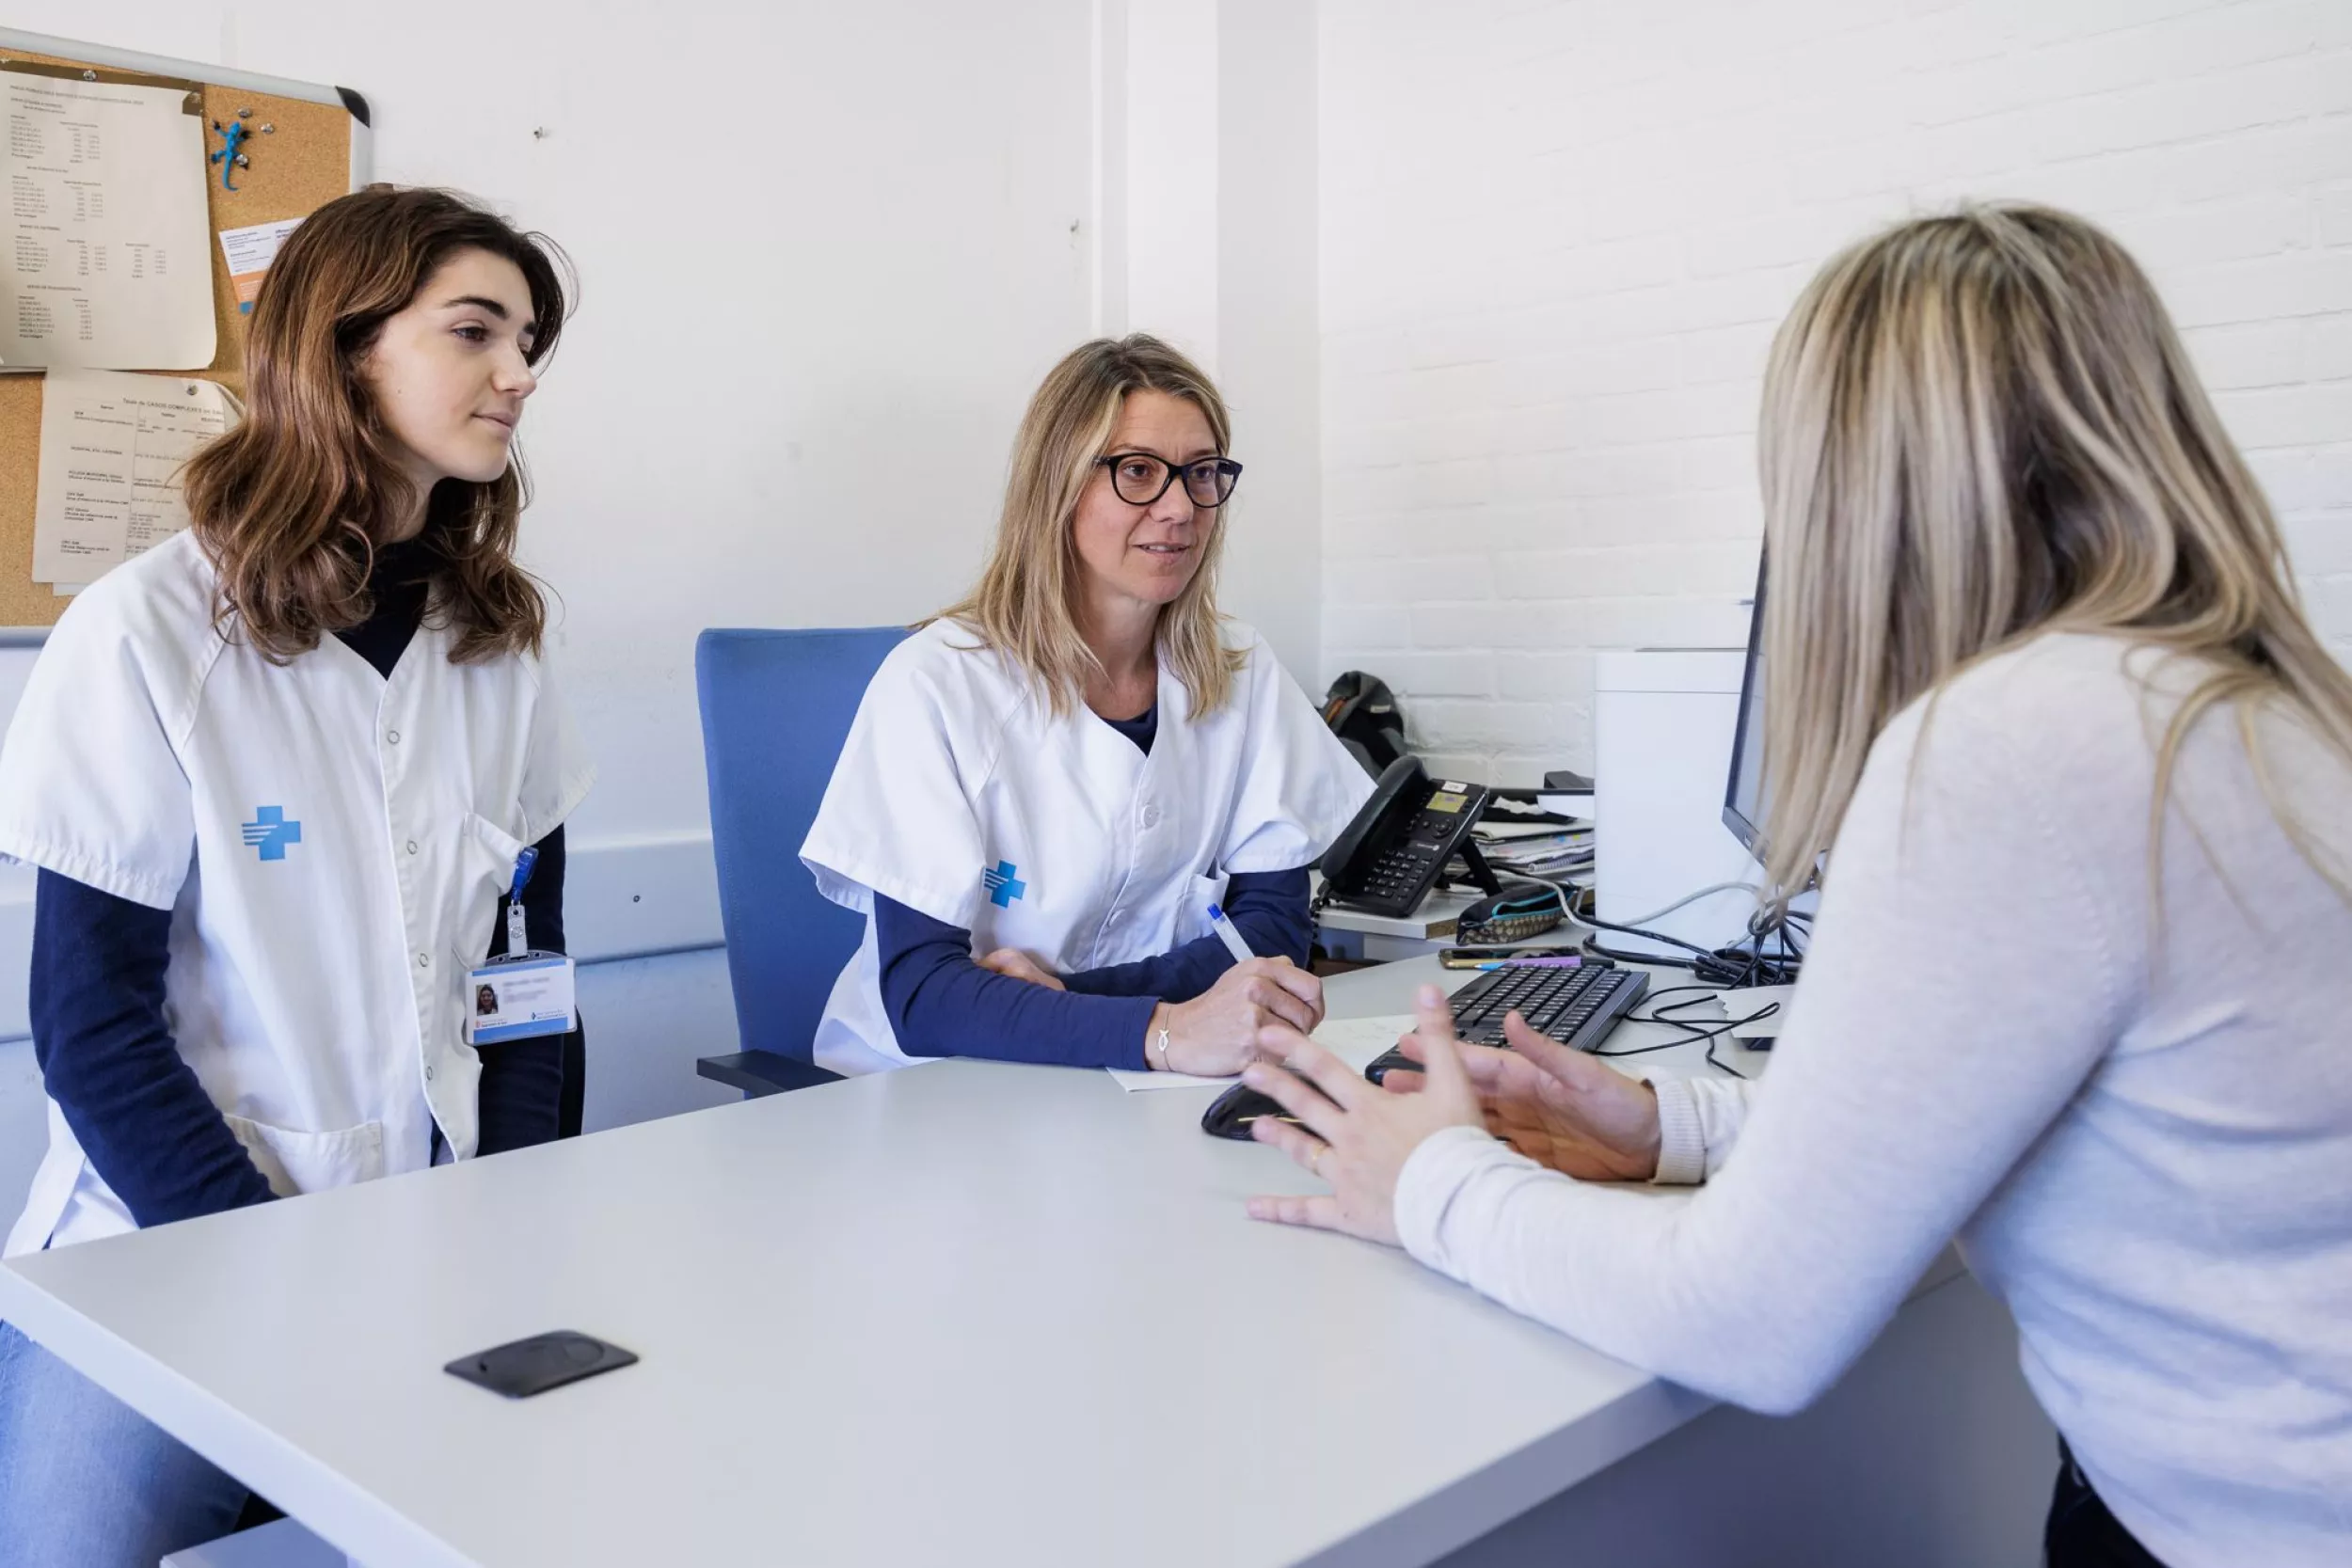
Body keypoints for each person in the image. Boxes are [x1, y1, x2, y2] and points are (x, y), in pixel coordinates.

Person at [1233, 206, 2352, 1568]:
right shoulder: (2242, 708)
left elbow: (1751, 1319)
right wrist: (1676, 1124)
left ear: (1862, 491)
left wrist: (1431, 1180)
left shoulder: (2020, 741)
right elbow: (2030, 1087)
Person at [0, 186, 595, 1567]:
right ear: (343, 348)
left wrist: (515, 1225)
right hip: (159, 1254)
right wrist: (276, 1279)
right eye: (475, 330)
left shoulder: (497, 641)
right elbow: (92, 1030)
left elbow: (529, 985)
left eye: (527, 340)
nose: (518, 373)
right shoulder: (143, 632)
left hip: (435, 1241)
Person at [803, 334, 1373, 1077]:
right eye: (1138, 471)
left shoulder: (1241, 669)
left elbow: (1272, 932)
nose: (1179, 508)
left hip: (1133, 1085)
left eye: (1201, 474)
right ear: (1058, 486)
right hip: (934, 1091)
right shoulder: (935, 684)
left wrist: (1086, 1007)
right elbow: (925, 995)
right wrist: (1160, 1028)